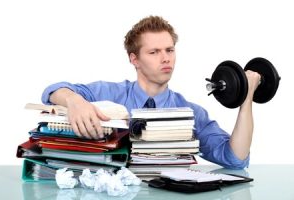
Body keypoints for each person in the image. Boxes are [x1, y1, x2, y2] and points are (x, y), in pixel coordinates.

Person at [41, 16, 261, 169]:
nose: (165, 58)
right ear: (134, 59)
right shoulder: (109, 93)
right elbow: (52, 91)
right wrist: (74, 101)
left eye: (170, 50)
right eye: (154, 52)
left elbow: (235, 158)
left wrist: (247, 97)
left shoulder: (191, 113)